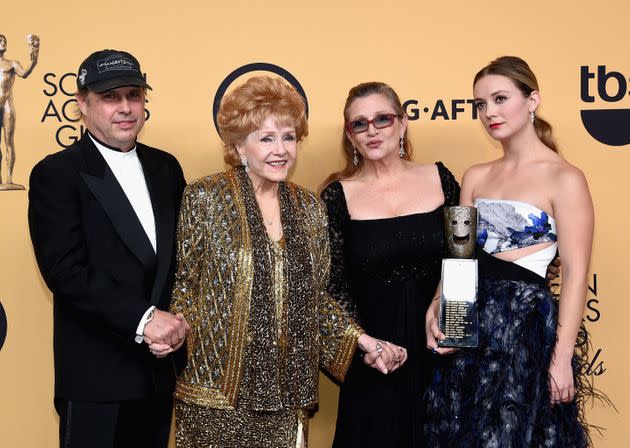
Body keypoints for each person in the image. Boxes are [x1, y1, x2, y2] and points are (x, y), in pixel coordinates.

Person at [168, 75, 405, 448]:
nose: (280, 149)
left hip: (287, 400)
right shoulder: (205, 198)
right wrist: (177, 325)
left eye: (289, 137)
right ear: (239, 146)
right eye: (266, 138)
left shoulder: (310, 208)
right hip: (215, 399)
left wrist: (364, 342)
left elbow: (317, 301)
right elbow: (186, 284)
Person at [425, 56, 593, 447]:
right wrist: (437, 307)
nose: (489, 113)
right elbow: (459, 260)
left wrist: (562, 358)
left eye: (500, 99)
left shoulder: (565, 178)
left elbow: (576, 274)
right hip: (468, 331)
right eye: (480, 104)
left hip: (522, 332)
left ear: (532, 100)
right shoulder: (475, 176)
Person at [28, 49, 190, 448]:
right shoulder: (56, 173)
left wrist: (180, 323)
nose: (125, 108)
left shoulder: (166, 167)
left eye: (134, 95)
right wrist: (145, 318)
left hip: (159, 372)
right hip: (95, 378)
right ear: (82, 103)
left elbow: (183, 261)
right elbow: (65, 271)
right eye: (110, 97)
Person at [320, 81, 460, 448]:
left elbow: (465, 259)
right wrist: (363, 347)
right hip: (376, 359)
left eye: (382, 118)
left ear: (403, 122)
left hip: (443, 350)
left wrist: (456, 328)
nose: (372, 130)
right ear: (350, 136)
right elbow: (331, 287)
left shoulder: (441, 179)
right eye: (359, 124)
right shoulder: (337, 196)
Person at [0, 33, 39, 189]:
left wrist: (34, 60)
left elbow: (25, 74)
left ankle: (9, 179)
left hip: (8, 106)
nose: (2, 42)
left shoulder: (11, 64)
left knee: (9, 142)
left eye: (4, 40)